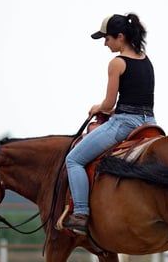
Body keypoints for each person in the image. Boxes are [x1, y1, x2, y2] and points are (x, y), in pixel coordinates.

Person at [63, 12, 157, 235]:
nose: (105, 43)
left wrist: (98, 108)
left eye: (107, 38)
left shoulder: (117, 63)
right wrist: (113, 109)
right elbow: (136, 101)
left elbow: (108, 103)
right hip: (150, 122)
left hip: (125, 124)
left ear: (120, 37)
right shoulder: (146, 60)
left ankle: (81, 214)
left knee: (73, 159)